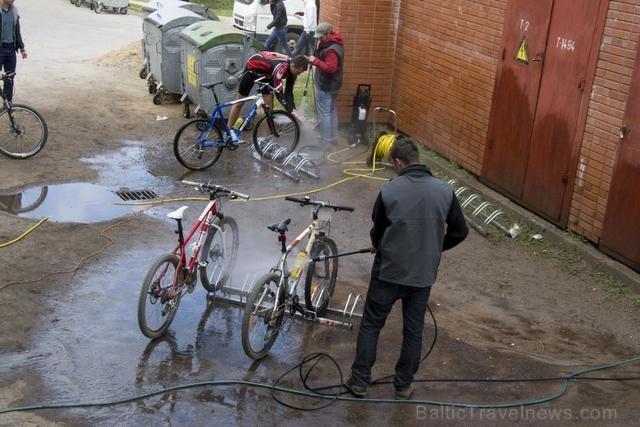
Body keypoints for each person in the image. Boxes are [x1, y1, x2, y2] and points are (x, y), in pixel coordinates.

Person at [345, 137, 469, 400]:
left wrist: (379, 245)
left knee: (371, 325)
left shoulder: (390, 190)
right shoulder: (445, 191)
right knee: (413, 330)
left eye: (393, 164)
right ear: (418, 160)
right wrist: (436, 248)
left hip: (388, 272)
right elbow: (460, 231)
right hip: (422, 276)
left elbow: (377, 230)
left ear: (398, 162)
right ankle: (403, 386)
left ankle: (359, 382)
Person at [225, 52, 308, 142]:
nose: (298, 74)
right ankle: (227, 133)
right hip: (253, 69)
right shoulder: (280, 68)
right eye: (298, 72)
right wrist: (292, 111)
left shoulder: (292, 71)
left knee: (269, 109)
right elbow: (279, 94)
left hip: (267, 74)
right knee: (239, 103)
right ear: (293, 65)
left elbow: (288, 93)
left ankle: (264, 140)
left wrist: (294, 110)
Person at [308, 22, 343, 147]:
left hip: (326, 86)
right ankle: (333, 138)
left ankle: (325, 142)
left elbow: (331, 68)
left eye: (321, 37)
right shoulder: (336, 43)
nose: (319, 39)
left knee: (325, 113)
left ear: (328, 34)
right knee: (332, 110)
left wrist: (315, 61)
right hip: (334, 85)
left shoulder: (331, 50)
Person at [0, 0, 26, 102]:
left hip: (11, 50)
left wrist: (22, 48)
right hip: (0, 49)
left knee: (9, 78)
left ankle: (8, 103)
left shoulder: (14, 11)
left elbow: (17, 31)